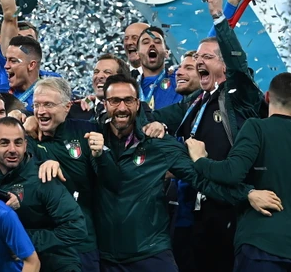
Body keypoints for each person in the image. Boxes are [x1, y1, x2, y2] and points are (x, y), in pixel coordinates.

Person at [93, 74, 273, 271]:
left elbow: (201, 179)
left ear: (137, 104)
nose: (122, 108)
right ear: (105, 104)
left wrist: (247, 194)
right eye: (114, 101)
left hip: (150, 253)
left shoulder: (158, 144)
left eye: (128, 100)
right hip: (106, 257)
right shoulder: (91, 139)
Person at [144, 0, 265, 272]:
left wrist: (219, 16)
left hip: (232, 206)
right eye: (197, 56)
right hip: (196, 207)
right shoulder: (194, 102)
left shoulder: (239, 96)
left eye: (207, 57)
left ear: (223, 65)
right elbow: (152, 116)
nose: (199, 61)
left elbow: (238, 64)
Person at [186, 72, 291, 271]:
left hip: (261, 245)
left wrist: (200, 160)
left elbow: (231, 173)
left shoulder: (257, 128)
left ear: (267, 97)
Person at [23, 78, 111, 272]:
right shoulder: (26, 138)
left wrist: (101, 155)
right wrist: (23, 117)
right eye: (36, 105)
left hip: (82, 243)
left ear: (67, 107)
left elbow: (110, 182)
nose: (40, 111)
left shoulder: (87, 132)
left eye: (48, 104)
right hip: (41, 245)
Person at [0, 116, 88, 271]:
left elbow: (76, 228)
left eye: (18, 142)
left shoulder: (43, 178)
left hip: (55, 264)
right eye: (4, 143)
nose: (12, 149)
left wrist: (23, 241)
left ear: (26, 145)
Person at [68, 54, 130, 121]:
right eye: (96, 72)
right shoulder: (72, 111)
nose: (99, 76)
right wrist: (87, 100)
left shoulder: (132, 115)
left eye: (107, 72)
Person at [136, 26, 182, 110]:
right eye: (146, 42)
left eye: (157, 42)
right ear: (137, 54)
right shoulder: (131, 87)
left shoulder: (179, 78)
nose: (152, 44)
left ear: (166, 53)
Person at [5, 36, 44, 111]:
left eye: (13, 61)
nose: (6, 66)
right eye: (6, 60)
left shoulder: (49, 95)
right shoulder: (0, 88)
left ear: (31, 65)